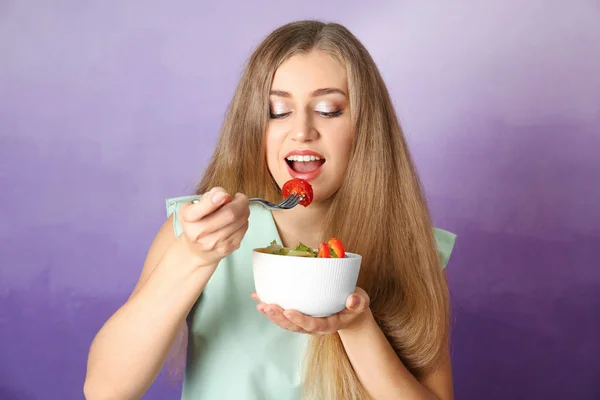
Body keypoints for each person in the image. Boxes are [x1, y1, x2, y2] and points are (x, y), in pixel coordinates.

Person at [84, 20, 457, 400]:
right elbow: (105, 390)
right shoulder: (198, 232)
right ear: (253, 127)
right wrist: (192, 257)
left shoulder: (412, 249)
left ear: (366, 128)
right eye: (277, 111)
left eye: (328, 110)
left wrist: (358, 327)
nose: (302, 131)